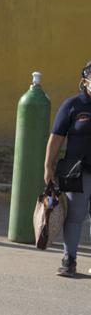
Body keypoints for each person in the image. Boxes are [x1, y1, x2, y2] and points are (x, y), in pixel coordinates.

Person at [44, 60, 91, 277]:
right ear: (85, 81)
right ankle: (69, 260)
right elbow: (56, 138)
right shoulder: (72, 105)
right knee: (75, 216)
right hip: (77, 171)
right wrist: (48, 166)